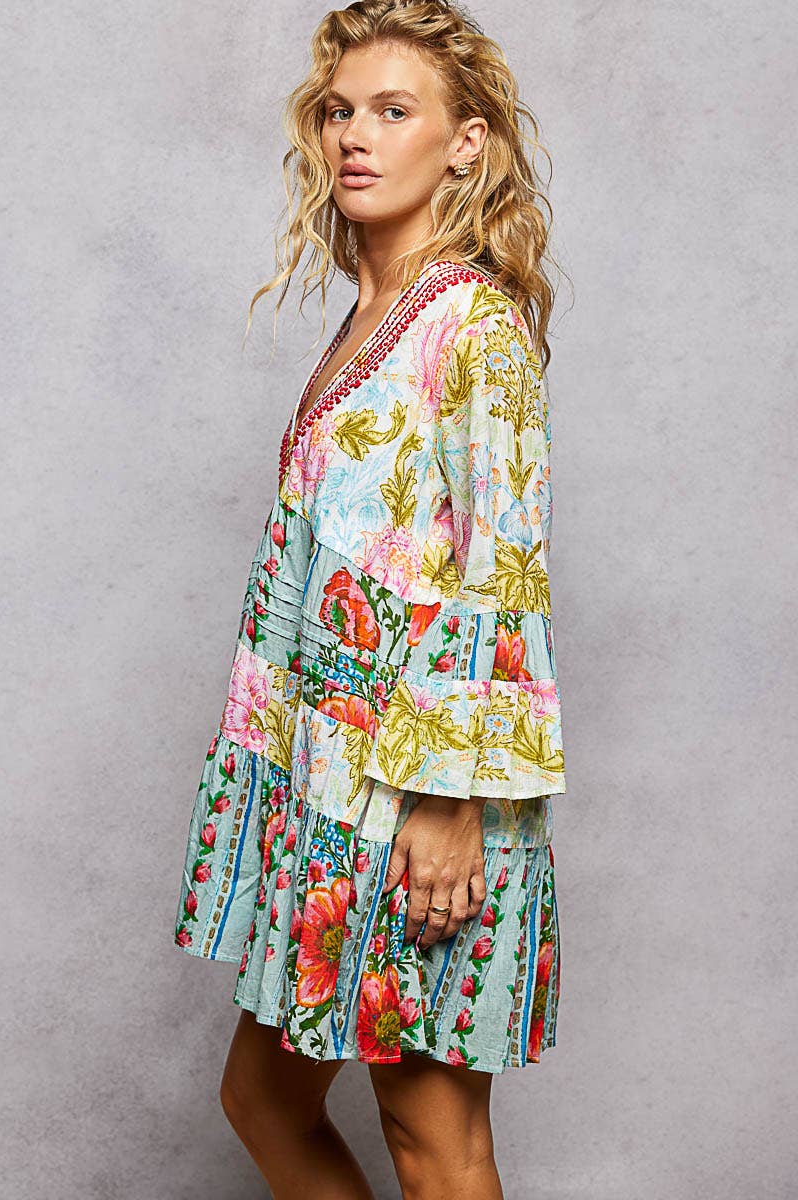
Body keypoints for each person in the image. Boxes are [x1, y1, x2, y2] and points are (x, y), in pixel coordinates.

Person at [173, 2, 567, 1196]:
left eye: (394, 111)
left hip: (417, 796)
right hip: (326, 782)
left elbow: (504, 570)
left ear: (465, 143)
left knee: (431, 1143)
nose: (354, 134)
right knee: (262, 1099)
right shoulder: (370, 313)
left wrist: (447, 800)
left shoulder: (473, 326)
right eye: (341, 110)